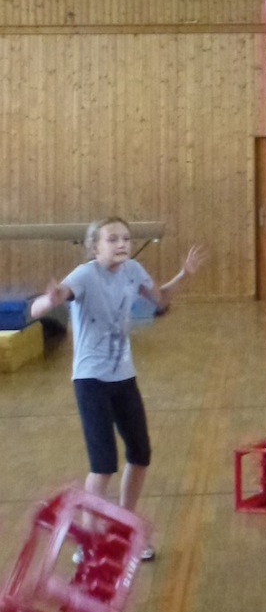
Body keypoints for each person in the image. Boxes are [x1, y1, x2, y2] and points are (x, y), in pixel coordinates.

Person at [29, 217, 205, 560]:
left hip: (123, 377)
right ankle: (89, 540)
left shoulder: (133, 270)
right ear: (95, 247)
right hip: (90, 381)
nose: (122, 243)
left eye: (125, 238)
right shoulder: (84, 275)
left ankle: (124, 528)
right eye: (112, 239)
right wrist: (51, 300)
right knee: (103, 465)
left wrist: (183, 275)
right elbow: (39, 307)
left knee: (140, 454)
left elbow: (160, 301)